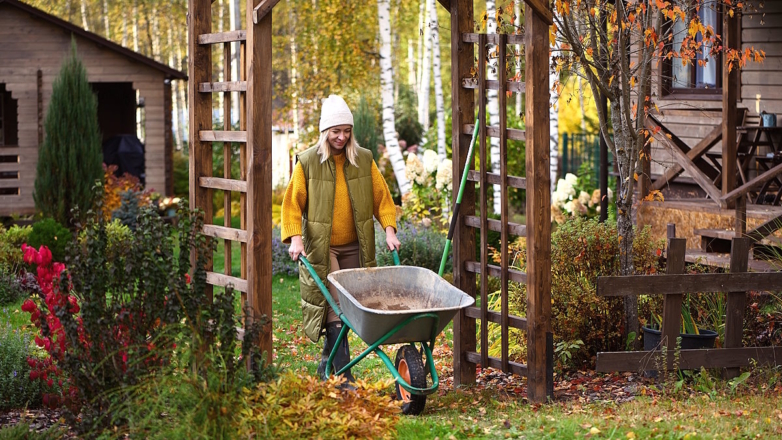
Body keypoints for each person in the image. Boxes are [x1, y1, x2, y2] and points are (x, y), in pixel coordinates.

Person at [281, 95, 400, 384]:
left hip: (356, 245)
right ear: (325, 132)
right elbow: (292, 204)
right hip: (325, 247)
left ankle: (327, 365)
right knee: (338, 306)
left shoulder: (363, 159)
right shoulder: (308, 162)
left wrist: (389, 230)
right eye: (336, 131)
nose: (342, 137)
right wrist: (295, 239)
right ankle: (345, 379)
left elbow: (382, 198)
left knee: (348, 309)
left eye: (346, 131)